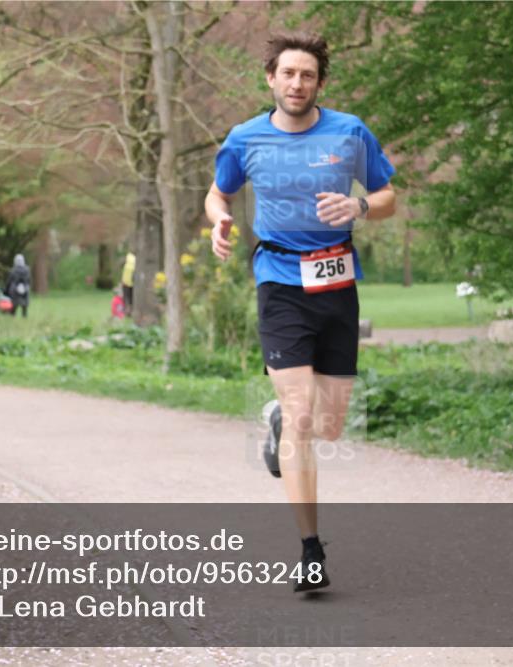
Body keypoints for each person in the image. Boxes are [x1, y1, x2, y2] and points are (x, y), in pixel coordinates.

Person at [206, 32, 396, 592]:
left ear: (319, 83)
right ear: (271, 78)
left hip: (337, 281)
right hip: (280, 281)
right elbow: (218, 193)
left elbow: (388, 197)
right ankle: (310, 551)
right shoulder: (246, 138)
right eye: (288, 73)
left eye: (307, 75)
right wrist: (219, 219)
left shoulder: (349, 131)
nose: (297, 83)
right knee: (304, 416)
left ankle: (277, 421)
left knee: (330, 425)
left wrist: (359, 204)